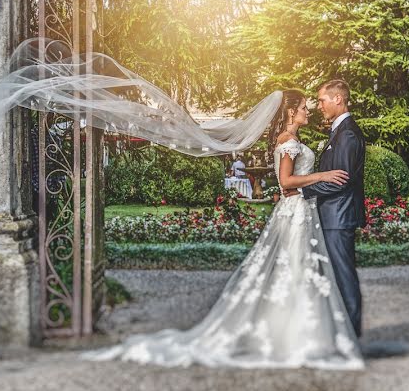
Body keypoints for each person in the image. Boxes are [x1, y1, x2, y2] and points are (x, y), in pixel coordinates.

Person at [83, 89, 364, 369]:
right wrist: (322, 175)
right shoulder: (287, 140)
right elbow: (286, 181)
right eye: (304, 106)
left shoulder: (296, 139)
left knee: (298, 270)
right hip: (296, 212)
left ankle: (299, 333)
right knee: (293, 269)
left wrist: (311, 185)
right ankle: (290, 336)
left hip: (301, 211)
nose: (309, 110)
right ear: (291, 112)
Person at [284, 79, 366, 337]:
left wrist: (301, 191)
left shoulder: (348, 134)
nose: (318, 106)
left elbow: (340, 180)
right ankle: (339, 333)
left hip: (338, 217)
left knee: (343, 276)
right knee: (335, 276)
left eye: (322, 100)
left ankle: (350, 337)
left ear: (338, 99)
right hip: (332, 215)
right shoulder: (339, 132)